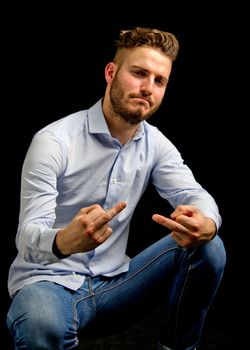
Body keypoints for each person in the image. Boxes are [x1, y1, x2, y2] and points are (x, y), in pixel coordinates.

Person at [6, 27, 226, 350]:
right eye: (139, 73)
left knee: (210, 246)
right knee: (40, 320)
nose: (148, 88)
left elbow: (198, 196)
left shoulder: (155, 144)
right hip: (49, 284)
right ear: (111, 72)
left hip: (116, 286)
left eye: (159, 80)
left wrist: (206, 221)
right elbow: (26, 236)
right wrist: (64, 240)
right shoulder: (54, 141)